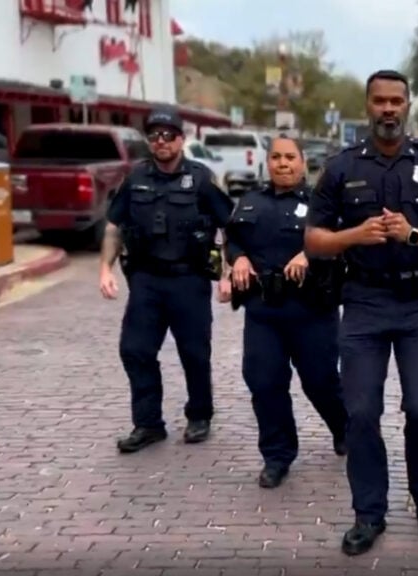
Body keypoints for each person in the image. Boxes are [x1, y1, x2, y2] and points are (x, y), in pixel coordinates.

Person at [304, 69, 418, 556]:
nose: (387, 109)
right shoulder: (340, 168)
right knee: (361, 412)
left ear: (407, 105)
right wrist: (352, 236)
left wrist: (414, 235)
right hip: (362, 303)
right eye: (379, 101)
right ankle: (368, 511)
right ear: (368, 107)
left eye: (395, 101)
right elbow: (314, 239)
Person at [99, 107, 235, 454]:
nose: (161, 141)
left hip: (189, 280)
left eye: (168, 135)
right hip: (146, 280)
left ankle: (199, 415)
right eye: (155, 135)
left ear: (181, 139)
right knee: (135, 350)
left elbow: (229, 224)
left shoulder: (201, 178)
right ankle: (148, 424)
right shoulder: (136, 178)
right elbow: (114, 225)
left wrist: (229, 272)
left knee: (194, 353)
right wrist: (105, 268)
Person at [220, 136, 349, 489]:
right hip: (263, 311)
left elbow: (342, 241)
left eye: (290, 157)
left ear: (303, 162)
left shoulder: (321, 205)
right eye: (276, 157)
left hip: (311, 310)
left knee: (320, 381)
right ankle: (277, 455)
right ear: (268, 162)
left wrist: (310, 253)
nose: (283, 163)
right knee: (264, 383)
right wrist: (238, 258)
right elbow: (232, 238)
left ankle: (344, 427)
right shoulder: (250, 200)